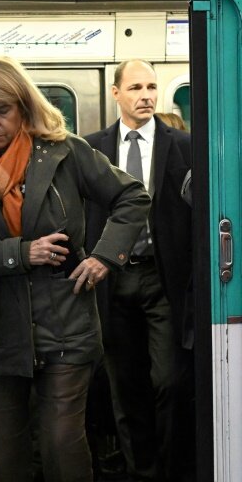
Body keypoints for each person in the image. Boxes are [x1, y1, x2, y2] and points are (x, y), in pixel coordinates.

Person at [0, 55, 151, 482]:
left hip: (66, 321)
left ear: (23, 106)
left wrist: (104, 257)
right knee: (7, 455)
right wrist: (20, 254)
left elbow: (131, 197)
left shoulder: (63, 151)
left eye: (3, 110)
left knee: (61, 444)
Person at [85, 59, 194, 482]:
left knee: (169, 381)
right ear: (116, 93)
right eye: (135, 88)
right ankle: (140, 472)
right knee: (125, 387)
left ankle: (171, 469)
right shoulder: (91, 147)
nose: (146, 96)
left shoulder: (183, 145)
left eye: (151, 87)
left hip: (162, 277)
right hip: (113, 278)